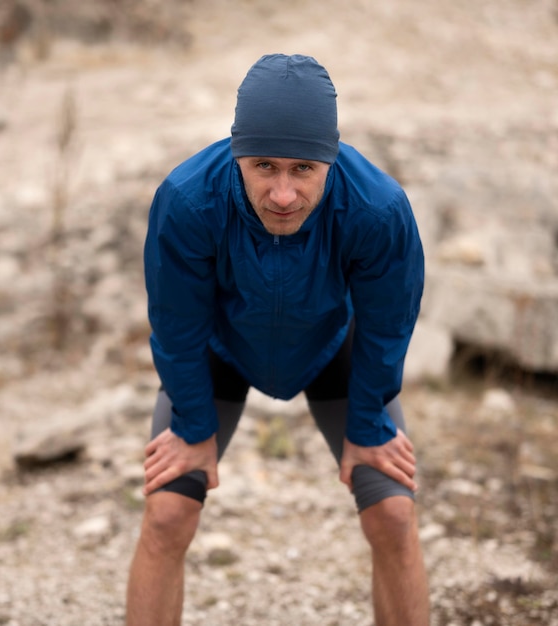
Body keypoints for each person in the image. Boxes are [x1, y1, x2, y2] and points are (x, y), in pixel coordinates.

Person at [126, 53, 429, 626]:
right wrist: (193, 426)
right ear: (237, 153)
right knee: (167, 514)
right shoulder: (188, 200)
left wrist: (367, 426)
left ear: (330, 161)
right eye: (264, 166)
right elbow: (175, 323)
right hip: (219, 351)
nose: (284, 194)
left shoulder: (379, 209)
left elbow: (388, 323)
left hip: (332, 347)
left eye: (303, 169)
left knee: (392, 513)